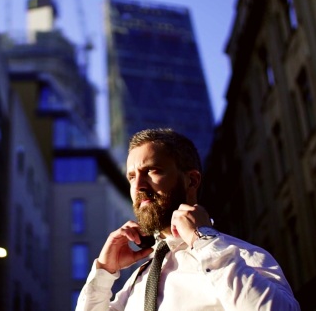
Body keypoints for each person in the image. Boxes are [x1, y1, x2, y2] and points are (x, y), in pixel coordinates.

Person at [75, 128, 300, 310]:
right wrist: (104, 272)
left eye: (152, 171)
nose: (139, 186)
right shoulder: (134, 285)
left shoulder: (243, 256)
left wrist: (206, 241)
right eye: (132, 177)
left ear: (191, 181)